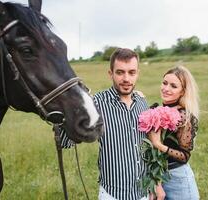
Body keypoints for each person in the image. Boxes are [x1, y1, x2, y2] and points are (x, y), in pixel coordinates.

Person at [60, 48, 149, 200]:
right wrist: (73, 110)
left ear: (137, 74)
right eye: (120, 72)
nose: (126, 78)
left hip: (143, 193)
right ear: (111, 74)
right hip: (112, 194)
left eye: (131, 72)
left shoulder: (142, 103)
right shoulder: (97, 103)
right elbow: (65, 142)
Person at [148, 65, 200, 200]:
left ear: (183, 91)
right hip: (157, 178)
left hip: (178, 180)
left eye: (173, 86)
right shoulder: (156, 110)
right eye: (164, 83)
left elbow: (184, 156)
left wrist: (158, 145)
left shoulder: (184, 117)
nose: (166, 89)